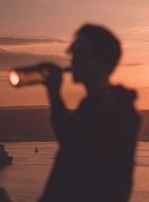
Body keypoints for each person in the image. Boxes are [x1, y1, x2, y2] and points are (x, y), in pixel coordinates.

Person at [38, 24, 141, 202]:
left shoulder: (116, 111)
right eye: (72, 52)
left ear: (101, 62)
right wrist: (54, 94)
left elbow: (74, 147)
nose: (72, 59)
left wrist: (54, 95)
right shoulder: (93, 105)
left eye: (78, 53)